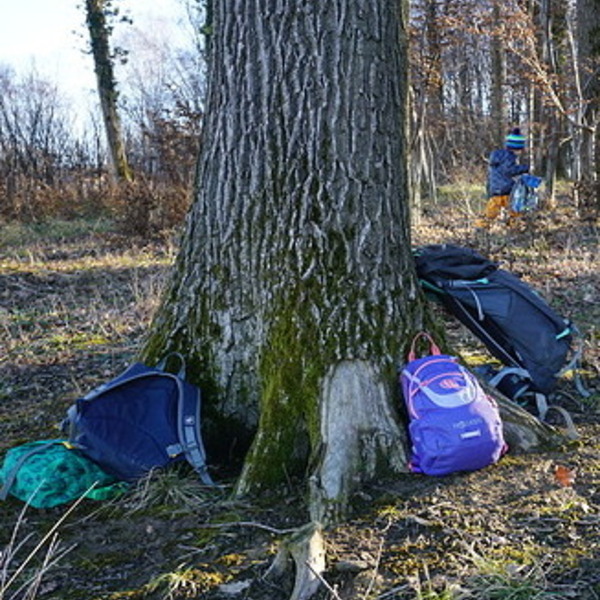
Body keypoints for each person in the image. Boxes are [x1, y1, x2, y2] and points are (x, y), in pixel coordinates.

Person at [476, 128, 529, 228]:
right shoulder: (509, 157)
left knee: (491, 212)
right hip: (507, 190)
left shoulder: (498, 157)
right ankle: (515, 227)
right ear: (517, 148)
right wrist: (525, 168)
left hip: (495, 189)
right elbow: (509, 170)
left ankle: (481, 227)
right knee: (515, 210)